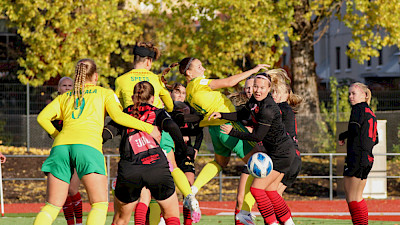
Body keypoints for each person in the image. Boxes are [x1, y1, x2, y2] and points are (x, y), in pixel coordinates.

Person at [35, 59, 160, 225]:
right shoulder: (105, 93)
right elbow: (118, 117)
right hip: (88, 146)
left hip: (60, 147)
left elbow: (41, 118)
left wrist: (57, 135)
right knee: (99, 204)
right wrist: (148, 127)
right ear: (95, 76)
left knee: (51, 207)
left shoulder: (65, 97)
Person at [162, 58, 269, 199]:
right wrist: (254, 70)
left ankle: (194, 189)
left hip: (215, 131)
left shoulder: (189, 91)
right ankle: (246, 210)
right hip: (228, 126)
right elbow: (230, 82)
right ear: (189, 72)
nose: (204, 70)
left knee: (220, 162)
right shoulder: (200, 82)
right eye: (199, 67)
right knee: (260, 162)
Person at [209, 71, 296, 225]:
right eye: (255, 86)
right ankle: (288, 222)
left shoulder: (268, 108)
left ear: (268, 89)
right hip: (278, 152)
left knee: (256, 190)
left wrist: (233, 132)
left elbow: (257, 137)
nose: (257, 90)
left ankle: (272, 223)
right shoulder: (255, 101)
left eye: (262, 87)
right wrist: (221, 115)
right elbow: (241, 114)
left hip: (282, 153)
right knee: (270, 191)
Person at [103, 81, 186, 225]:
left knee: (120, 220)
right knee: (171, 214)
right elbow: (172, 125)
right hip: (156, 166)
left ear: (133, 97)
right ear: (153, 98)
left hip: (130, 169)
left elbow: (107, 133)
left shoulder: (124, 114)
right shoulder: (157, 112)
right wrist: (181, 150)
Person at [338, 82, 378, 225]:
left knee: (352, 198)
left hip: (357, 157)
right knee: (358, 197)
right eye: (349, 94)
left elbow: (354, 130)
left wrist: (342, 135)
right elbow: (376, 138)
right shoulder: (370, 112)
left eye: (353, 93)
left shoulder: (358, 109)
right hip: (367, 158)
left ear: (364, 95)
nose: (350, 96)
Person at [169, 82, 204, 225]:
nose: (180, 95)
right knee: (167, 190)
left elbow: (200, 130)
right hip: (170, 152)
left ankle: (187, 222)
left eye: (183, 93)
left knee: (189, 188)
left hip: (186, 153)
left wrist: (196, 148)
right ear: (171, 93)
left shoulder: (190, 110)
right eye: (177, 92)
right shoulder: (166, 111)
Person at [51, 76, 84, 225]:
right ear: (58, 89)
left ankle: (79, 222)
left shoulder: (78, 106)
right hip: (61, 153)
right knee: (62, 192)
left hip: (78, 152)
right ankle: (70, 223)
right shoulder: (54, 108)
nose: (67, 88)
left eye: (70, 85)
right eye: (64, 85)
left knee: (72, 189)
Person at [227, 76, 257, 225]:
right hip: (253, 159)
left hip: (267, 158)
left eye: (253, 86)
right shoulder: (243, 109)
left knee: (268, 198)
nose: (250, 90)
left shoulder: (266, 107)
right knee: (240, 199)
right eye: (247, 87)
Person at [114, 41, 173, 112]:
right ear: (148, 61)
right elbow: (170, 106)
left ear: (134, 60)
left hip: (131, 120)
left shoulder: (120, 80)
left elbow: (118, 107)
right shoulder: (157, 79)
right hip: (153, 121)